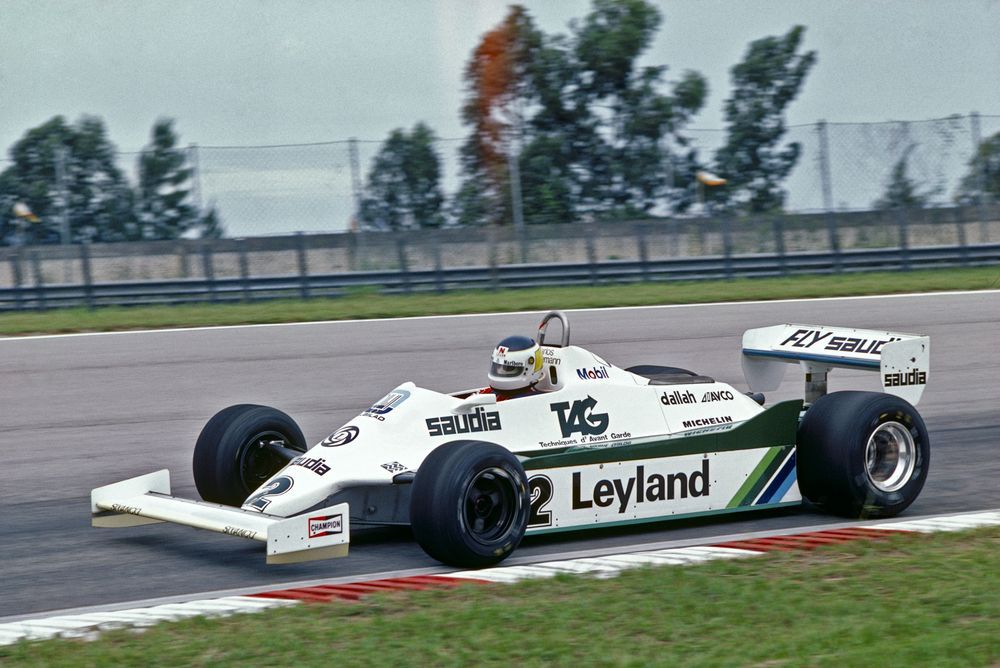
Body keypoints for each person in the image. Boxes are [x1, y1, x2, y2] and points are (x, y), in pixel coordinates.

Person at [484, 335, 545, 400]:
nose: (500, 371)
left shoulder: (538, 400)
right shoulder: (488, 394)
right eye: (497, 367)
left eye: (509, 368)